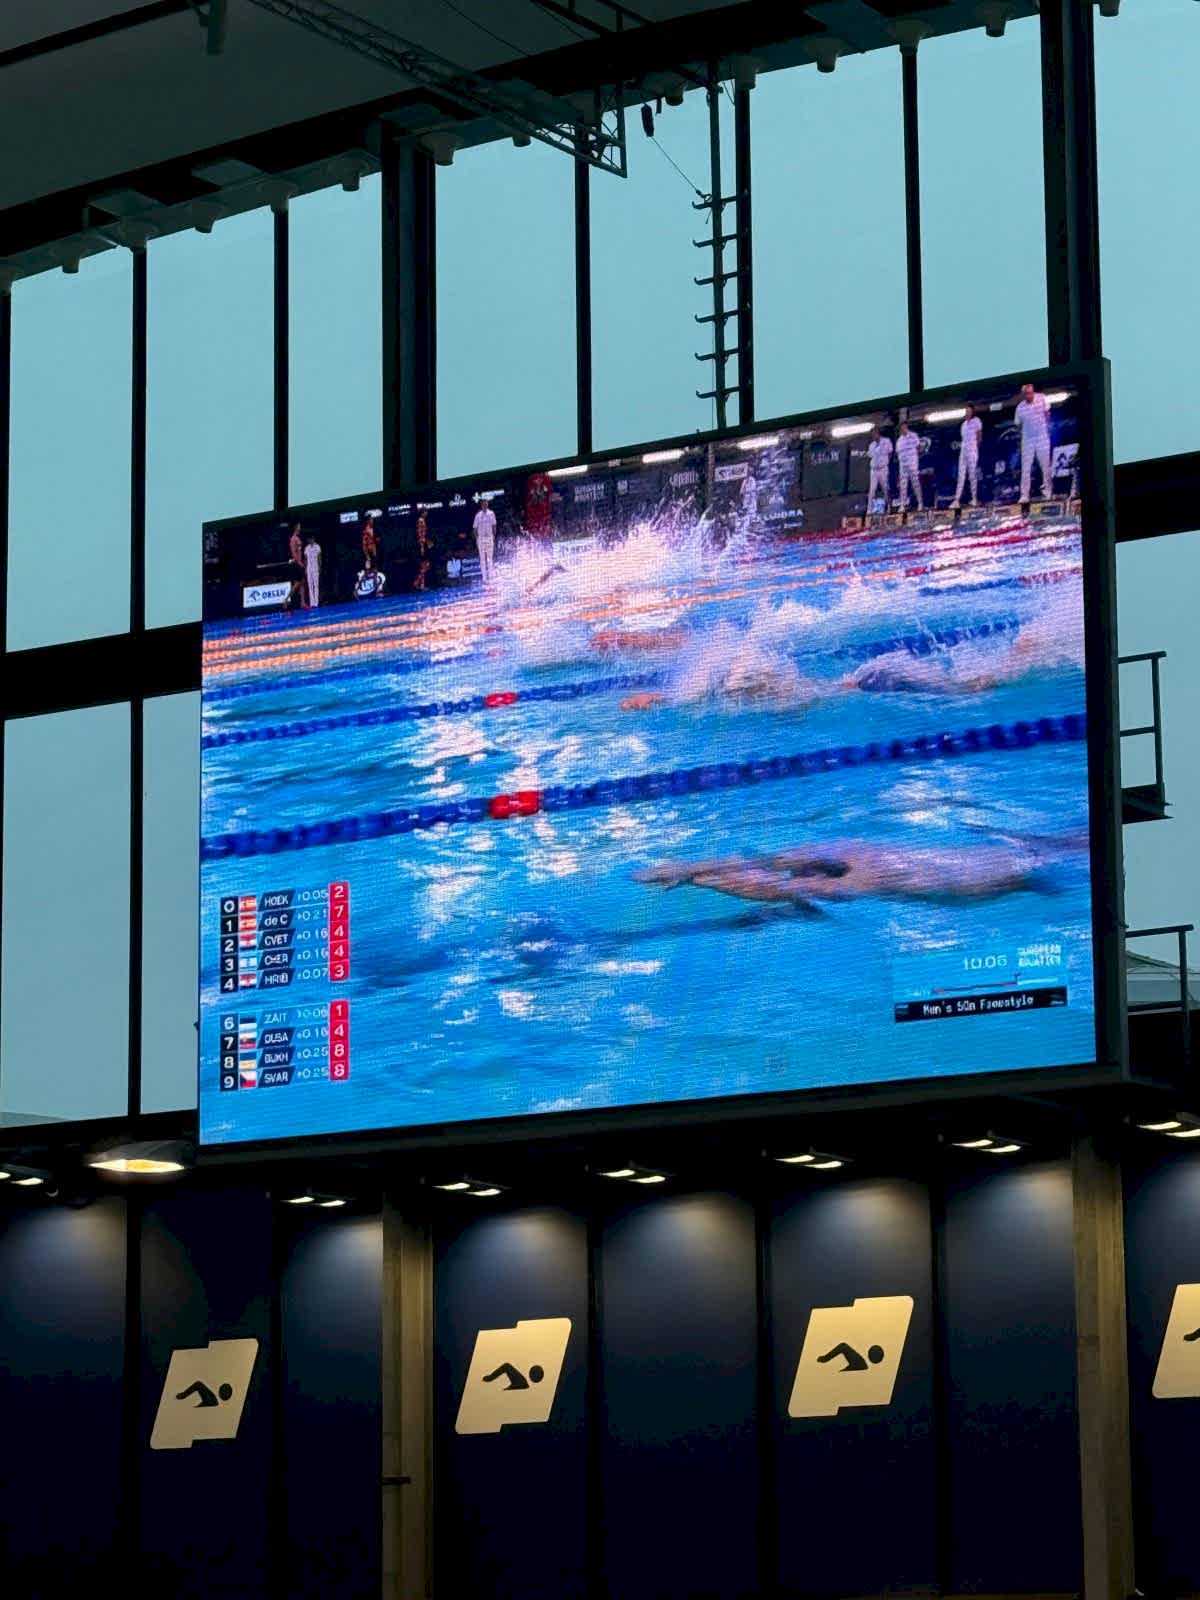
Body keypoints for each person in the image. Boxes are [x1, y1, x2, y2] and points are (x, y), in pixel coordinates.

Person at [1015, 381, 1053, 505]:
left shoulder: (1042, 398)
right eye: (1027, 394)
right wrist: (1024, 436)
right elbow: (1018, 425)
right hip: (1028, 440)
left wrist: (1044, 429)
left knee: (1045, 465)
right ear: (1023, 394)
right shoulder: (1020, 407)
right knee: (1026, 468)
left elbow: (1047, 414)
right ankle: (1024, 495)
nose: (1029, 396)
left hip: (1042, 437)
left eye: (1031, 393)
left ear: (1033, 391)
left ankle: (1048, 491)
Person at [951, 403, 983, 509]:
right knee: (961, 475)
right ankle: (957, 500)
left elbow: (979, 437)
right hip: (963, 451)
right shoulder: (964, 424)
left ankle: (974, 499)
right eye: (966, 411)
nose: (967, 413)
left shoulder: (977, 421)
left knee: (972, 475)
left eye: (969, 411)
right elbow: (963, 439)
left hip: (972, 451)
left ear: (972, 412)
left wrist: (975, 449)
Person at [896, 420, 924, 511]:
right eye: (901, 428)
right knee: (903, 485)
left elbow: (919, 448)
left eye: (904, 427)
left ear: (906, 427)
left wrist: (914, 458)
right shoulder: (899, 440)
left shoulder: (913, 436)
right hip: (903, 465)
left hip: (912, 463)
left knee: (915, 483)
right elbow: (898, 453)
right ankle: (903, 505)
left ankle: (920, 503)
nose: (903, 429)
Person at [866, 425, 893, 512]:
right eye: (872, 435)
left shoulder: (886, 441)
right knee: (872, 490)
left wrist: (885, 462)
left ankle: (889, 507)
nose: (873, 436)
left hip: (883, 469)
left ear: (878, 433)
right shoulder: (871, 445)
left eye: (874, 434)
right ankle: (869, 510)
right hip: (874, 470)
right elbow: (870, 456)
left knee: (885, 489)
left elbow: (890, 452)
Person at [472, 496, 497, 584]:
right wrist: (477, 539)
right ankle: (484, 579)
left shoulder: (491, 513)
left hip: (489, 538)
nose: (485, 505)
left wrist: (493, 536)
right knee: (482, 559)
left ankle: (491, 577)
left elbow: (494, 525)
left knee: (490, 559)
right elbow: (475, 528)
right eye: (483, 504)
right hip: (481, 539)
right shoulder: (478, 515)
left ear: (487, 504)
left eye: (486, 504)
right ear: (481, 505)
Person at [288, 522, 305, 607]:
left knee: (302, 583)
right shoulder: (293, 539)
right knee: (297, 584)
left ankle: (303, 603)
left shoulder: (297, 538)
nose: (300, 528)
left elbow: (299, 552)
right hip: (297, 564)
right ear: (295, 528)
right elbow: (294, 553)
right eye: (299, 527)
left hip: (299, 563)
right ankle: (286, 600)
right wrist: (299, 563)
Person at [303, 531, 321, 608]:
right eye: (309, 539)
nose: (310, 540)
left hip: (315, 567)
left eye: (311, 539)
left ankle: (316, 602)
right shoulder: (306, 548)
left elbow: (319, 558)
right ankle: (312, 603)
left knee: (316, 585)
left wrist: (319, 567)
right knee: (310, 585)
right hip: (309, 568)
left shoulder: (317, 547)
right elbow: (305, 559)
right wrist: (305, 569)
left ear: (313, 539)